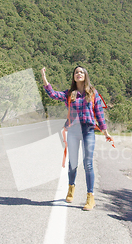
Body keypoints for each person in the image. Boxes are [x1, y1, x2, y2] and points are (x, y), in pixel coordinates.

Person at [40, 66, 112, 211]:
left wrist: (105, 132)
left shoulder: (92, 93)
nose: (78, 74)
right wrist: (44, 77)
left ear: (85, 76)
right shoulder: (69, 94)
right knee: (73, 163)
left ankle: (90, 198)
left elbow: (99, 113)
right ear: (73, 76)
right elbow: (53, 94)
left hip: (88, 130)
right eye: (76, 72)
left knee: (88, 163)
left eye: (81, 72)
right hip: (73, 131)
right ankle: (71, 189)